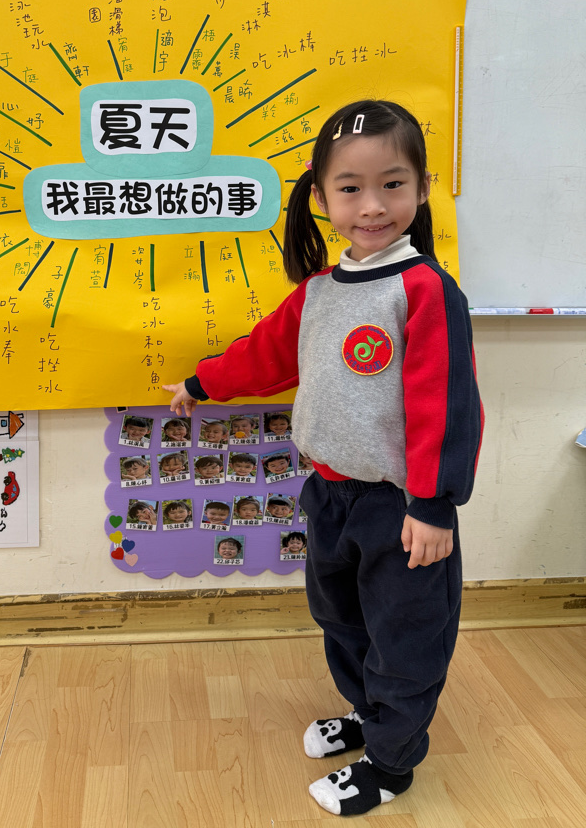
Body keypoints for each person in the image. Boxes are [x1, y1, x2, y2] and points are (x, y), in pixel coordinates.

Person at [163, 99, 483, 817]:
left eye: (393, 184)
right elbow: (265, 353)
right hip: (329, 496)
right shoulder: (319, 291)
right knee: (342, 619)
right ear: (320, 196)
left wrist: (434, 505)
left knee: (404, 636)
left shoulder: (425, 289)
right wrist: (202, 384)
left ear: (423, 188)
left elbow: (447, 402)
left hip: (401, 508)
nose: (372, 206)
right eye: (350, 188)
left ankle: (392, 765)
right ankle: (369, 716)